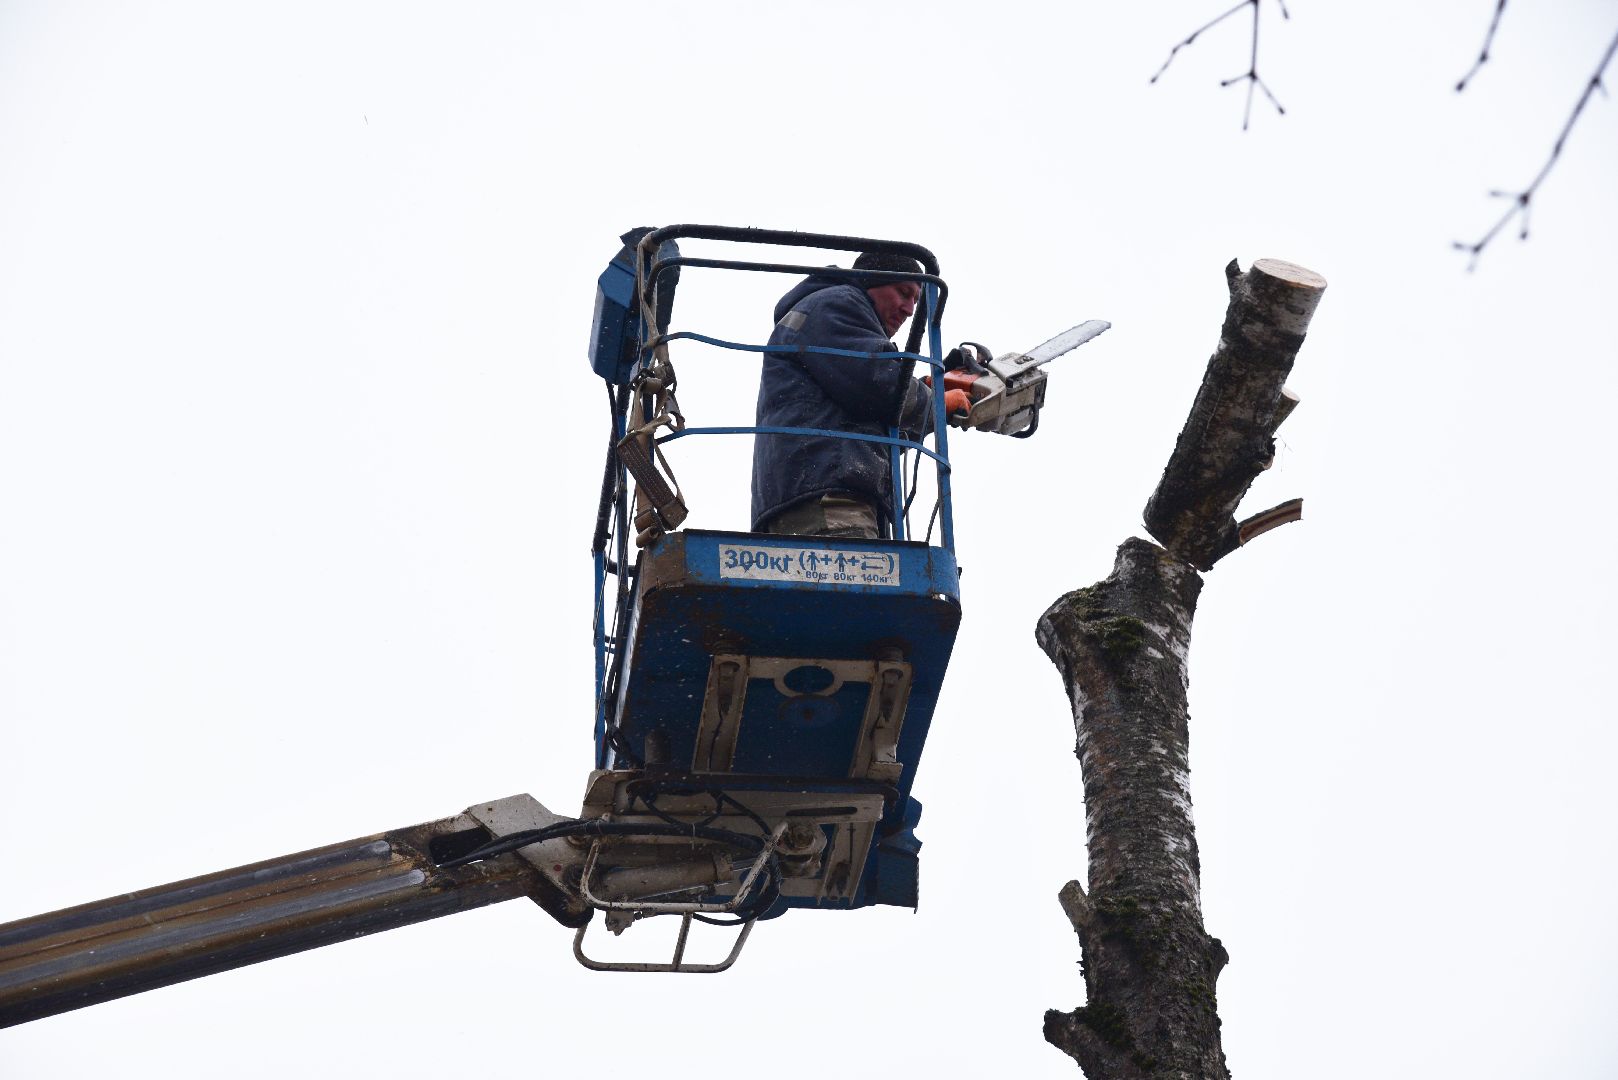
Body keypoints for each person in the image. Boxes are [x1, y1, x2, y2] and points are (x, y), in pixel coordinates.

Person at [750, 252, 971, 539]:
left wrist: (924, 392)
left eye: (916, 301)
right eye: (903, 293)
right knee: (849, 582)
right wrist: (936, 403)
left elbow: (879, 420)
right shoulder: (838, 303)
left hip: (813, 492)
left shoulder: (828, 316)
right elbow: (880, 384)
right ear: (871, 282)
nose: (908, 309)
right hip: (828, 497)